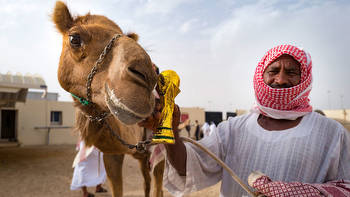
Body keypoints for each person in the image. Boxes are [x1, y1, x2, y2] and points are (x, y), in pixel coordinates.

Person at [139, 44, 350, 196]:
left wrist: (301, 193)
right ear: (262, 76)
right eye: (274, 71)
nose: (281, 79)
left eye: (292, 72)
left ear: (304, 79)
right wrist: (171, 131)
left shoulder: (331, 133)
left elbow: (345, 187)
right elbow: (189, 168)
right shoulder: (233, 129)